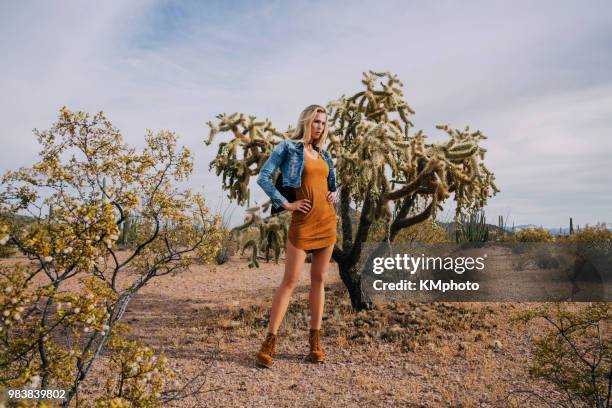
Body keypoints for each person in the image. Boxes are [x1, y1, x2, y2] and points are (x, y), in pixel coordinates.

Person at [254, 104, 337, 368]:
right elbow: (264, 177)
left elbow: (332, 185)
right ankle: (269, 342)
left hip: (327, 221)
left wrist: (336, 195)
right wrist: (286, 204)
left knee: (319, 280)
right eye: (316, 122)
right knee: (289, 282)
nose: (319, 127)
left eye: (323, 123)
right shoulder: (288, 148)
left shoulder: (324, 155)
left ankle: (315, 342)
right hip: (302, 222)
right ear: (306, 122)